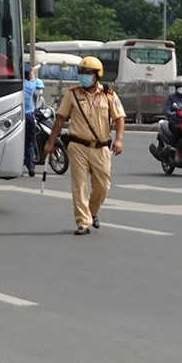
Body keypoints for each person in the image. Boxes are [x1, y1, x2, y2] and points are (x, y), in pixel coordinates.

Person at [46, 56, 126, 236]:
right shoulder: (72, 94)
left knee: (103, 185)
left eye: (88, 73)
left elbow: (120, 118)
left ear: (97, 75)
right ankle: (83, 222)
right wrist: (51, 142)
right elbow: (60, 119)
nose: (83, 76)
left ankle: (92, 211)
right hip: (77, 146)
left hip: (101, 147)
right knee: (79, 185)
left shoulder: (109, 94)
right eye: (81, 73)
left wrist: (119, 139)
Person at [23, 67, 45, 177]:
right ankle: (30, 166)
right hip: (30, 117)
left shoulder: (21, 85)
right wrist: (33, 70)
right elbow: (33, 78)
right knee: (30, 142)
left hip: (20, 116)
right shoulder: (31, 86)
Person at [161, 76, 182, 145]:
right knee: (178, 132)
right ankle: (173, 147)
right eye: (179, 87)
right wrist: (174, 114)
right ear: (176, 87)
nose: (181, 89)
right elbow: (166, 110)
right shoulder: (171, 97)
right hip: (176, 122)